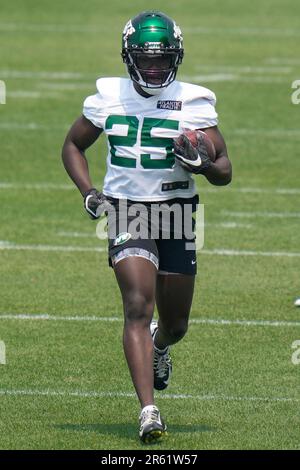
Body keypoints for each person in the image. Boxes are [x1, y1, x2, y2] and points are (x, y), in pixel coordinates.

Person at [62, 10, 232, 444]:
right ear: (128, 57)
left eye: (162, 60)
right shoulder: (107, 95)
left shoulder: (194, 100)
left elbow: (225, 170)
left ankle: (160, 346)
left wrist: (203, 162)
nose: (154, 68)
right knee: (138, 304)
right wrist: (88, 190)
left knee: (175, 325)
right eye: (146, 59)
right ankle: (148, 411)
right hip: (127, 209)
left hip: (176, 212)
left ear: (177, 58)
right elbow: (73, 145)